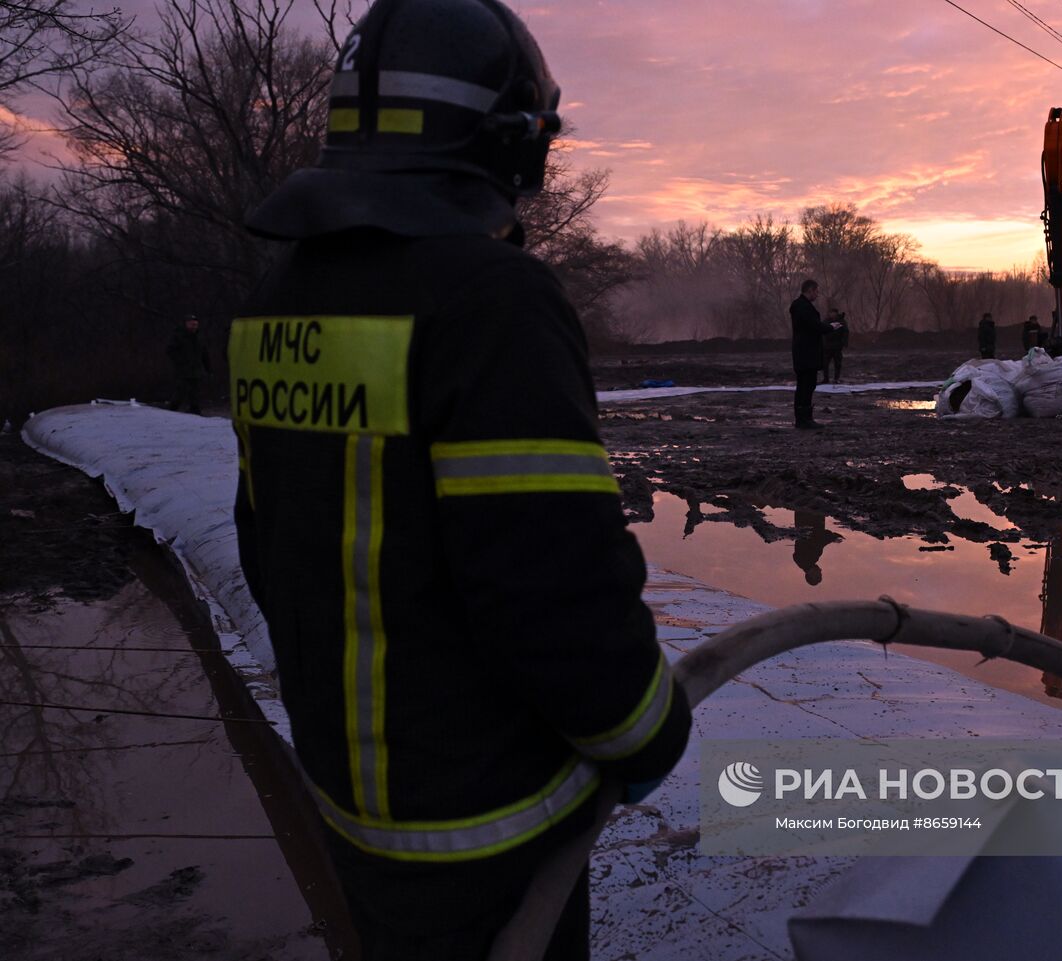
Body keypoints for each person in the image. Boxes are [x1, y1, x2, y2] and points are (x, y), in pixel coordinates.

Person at [228, 1, 691, 957]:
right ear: (509, 140)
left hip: (357, 807)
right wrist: (646, 730)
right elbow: (553, 585)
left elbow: (267, 546)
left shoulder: (279, 302)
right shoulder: (491, 302)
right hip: (488, 827)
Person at [790, 279, 841, 428]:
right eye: (816, 291)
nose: (817, 294)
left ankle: (802, 419)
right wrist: (830, 327)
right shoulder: (803, 307)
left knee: (803, 385)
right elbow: (814, 326)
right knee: (807, 385)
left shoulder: (799, 305)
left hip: (802, 352)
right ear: (810, 290)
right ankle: (805, 420)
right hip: (807, 353)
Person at [166, 313, 211, 414]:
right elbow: (170, 350)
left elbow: (204, 354)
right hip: (183, 369)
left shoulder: (199, 337)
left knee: (195, 391)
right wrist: (180, 361)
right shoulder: (179, 336)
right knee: (181, 390)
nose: (193, 326)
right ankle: (172, 409)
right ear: (186, 324)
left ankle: (195, 410)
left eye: (195, 324)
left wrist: (208, 368)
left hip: (196, 369)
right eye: (191, 324)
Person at [821, 304, 849, 385]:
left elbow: (845, 332)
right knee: (825, 364)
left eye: (833, 313)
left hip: (837, 346)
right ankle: (826, 379)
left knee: (837, 363)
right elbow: (821, 331)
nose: (832, 314)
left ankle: (836, 378)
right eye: (830, 313)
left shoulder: (841, 321)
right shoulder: (826, 321)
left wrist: (844, 343)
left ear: (836, 313)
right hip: (827, 346)